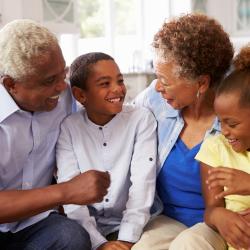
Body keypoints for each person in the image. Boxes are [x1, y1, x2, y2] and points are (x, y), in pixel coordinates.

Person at [0, 20, 110, 250]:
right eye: (49, 81)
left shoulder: (64, 96)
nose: (62, 87)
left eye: (63, 74)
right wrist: (67, 191)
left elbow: (115, 107)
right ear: (11, 84)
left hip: (36, 223)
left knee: (72, 237)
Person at [132, 13, 234, 249]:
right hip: (165, 217)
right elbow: (118, 121)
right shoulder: (155, 100)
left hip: (215, 222)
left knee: (189, 246)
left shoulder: (236, 115)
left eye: (165, 81)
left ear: (202, 83)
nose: (157, 87)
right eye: (156, 77)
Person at [56, 52, 157, 250]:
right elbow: (71, 194)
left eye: (120, 80)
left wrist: (127, 240)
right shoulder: (69, 127)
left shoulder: (141, 119)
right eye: (105, 84)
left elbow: (142, 184)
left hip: (138, 223)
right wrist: (99, 243)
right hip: (86, 229)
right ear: (80, 95)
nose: (118, 89)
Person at [196, 44, 250, 250]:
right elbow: (211, 209)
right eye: (220, 122)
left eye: (233, 124)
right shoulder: (215, 148)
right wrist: (220, 216)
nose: (224, 131)